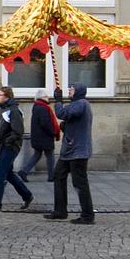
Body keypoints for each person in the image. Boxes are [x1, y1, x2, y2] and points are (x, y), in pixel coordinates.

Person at [45, 83, 94, 224]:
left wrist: (59, 101)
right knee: (58, 176)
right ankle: (60, 211)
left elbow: (62, 113)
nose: (69, 91)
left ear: (78, 91)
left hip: (78, 151)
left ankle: (87, 215)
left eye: (71, 90)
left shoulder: (81, 103)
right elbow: (71, 120)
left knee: (80, 183)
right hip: (70, 150)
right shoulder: (78, 104)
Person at [0, 87, 32, 213]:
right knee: (8, 173)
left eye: (0, 95)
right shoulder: (1, 109)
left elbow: (18, 131)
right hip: (2, 146)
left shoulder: (14, 110)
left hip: (10, 147)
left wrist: (7, 142)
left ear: (7, 97)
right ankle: (27, 195)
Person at [18, 89, 59, 182]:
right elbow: (45, 123)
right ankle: (51, 176)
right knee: (50, 156)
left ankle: (24, 171)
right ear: (43, 97)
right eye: (47, 96)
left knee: (37, 155)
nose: (48, 98)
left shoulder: (37, 106)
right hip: (45, 137)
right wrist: (52, 132)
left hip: (38, 137)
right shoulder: (43, 107)